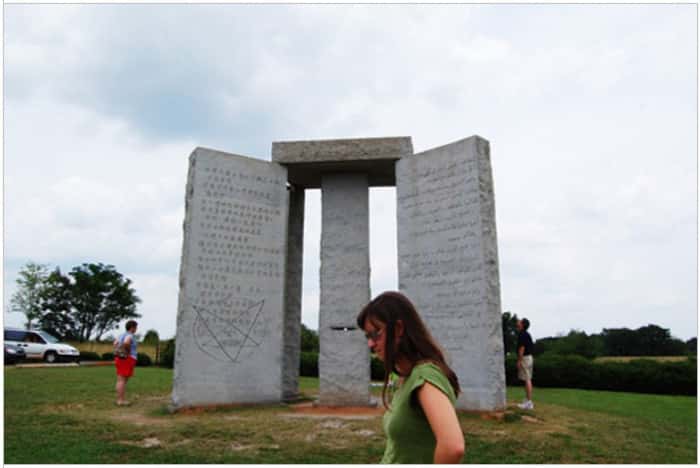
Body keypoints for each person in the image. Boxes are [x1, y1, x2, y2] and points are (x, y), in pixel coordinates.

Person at [356, 291, 465, 464]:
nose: (371, 343)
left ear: (398, 329)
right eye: (368, 336)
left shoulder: (425, 375)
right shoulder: (406, 376)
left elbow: (453, 447)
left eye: (376, 333)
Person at [114, 320, 138, 406]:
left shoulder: (120, 335)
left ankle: (120, 399)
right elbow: (127, 342)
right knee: (122, 380)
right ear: (132, 327)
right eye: (135, 327)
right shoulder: (130, 336)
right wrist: (127, 351)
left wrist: (119, 352)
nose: (136, 329)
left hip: (119, 358)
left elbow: (115, 343)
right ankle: (121, 400)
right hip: (127, 359)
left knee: (120, 379)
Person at [516, 318, 534, 410]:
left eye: (520, 321)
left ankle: (529, 402)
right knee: (527, 379)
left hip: (525, 358)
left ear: (522, 325)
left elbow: (521, 349)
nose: (518, 321)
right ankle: (527, 400)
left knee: (527, 379)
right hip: (529, 357)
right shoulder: (526, 334)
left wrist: (519, 360)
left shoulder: (522, 334)